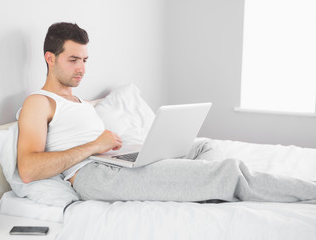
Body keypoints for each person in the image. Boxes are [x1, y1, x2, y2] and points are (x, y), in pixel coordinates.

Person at [17, 22, 316, 203]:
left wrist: (122, 147)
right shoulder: (39, 102)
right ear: (50, 58)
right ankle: (307, 191)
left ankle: (196, 182)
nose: (82, 68)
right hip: (92, 176)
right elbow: (29, 170)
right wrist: (96, 145)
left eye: (85, 59)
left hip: (111, 161)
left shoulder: (81, 103)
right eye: (73, 60)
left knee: (203, 147)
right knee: (229, 169)